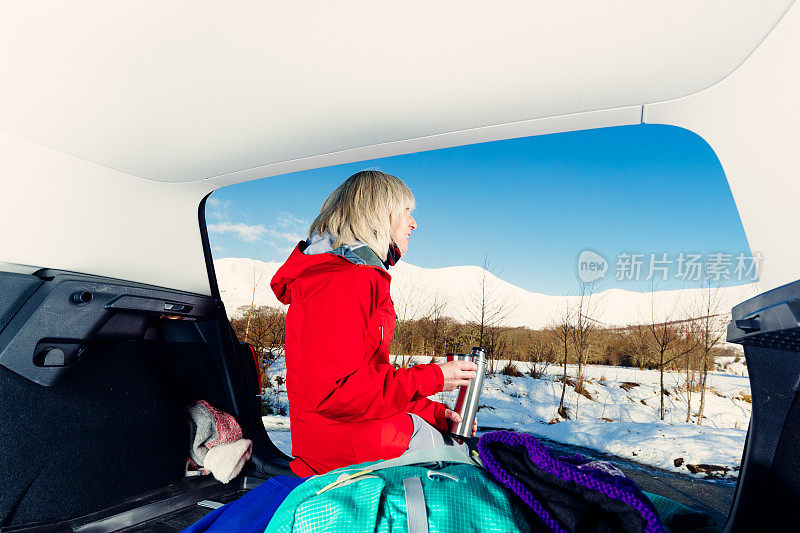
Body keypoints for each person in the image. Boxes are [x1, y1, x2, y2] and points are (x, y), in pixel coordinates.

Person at [270, 170, 477, 476]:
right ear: (379, 214)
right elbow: (336, 393)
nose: (413, 223)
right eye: (407, 212)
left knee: (458, 445)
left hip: (345, 434)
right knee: (467, 467)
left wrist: (437, 413)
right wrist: (432, 377)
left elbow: (368, 384)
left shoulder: (349, 276)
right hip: (341, 447)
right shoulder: (341, 281)